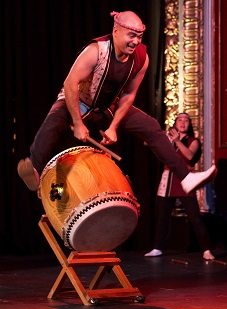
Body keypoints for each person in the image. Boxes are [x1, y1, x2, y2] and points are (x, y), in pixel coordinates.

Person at [17, 11, 216, 196]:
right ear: (116, 31)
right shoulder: (95, 51)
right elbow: (70, 85)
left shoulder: (141, 58)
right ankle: (35, 170)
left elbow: (129, 95)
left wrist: (113, 128)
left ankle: (186, 177)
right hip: (78, 103)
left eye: (139, 36)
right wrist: (78, 123)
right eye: (131, 35)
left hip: (108, 107)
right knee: (54, 122)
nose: (135, 41)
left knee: (151, 126)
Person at [144, 113, 215, 260]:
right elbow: (147, 142)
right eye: (180, 120)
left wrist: (178, 141)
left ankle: (207, 249)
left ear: (189, 125)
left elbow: (189, 156)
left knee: (194, 217)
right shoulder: (167, 138)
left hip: (185, 179)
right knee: (162, 217)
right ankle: (157, 247)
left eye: (186, 120)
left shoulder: (192, 141)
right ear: (175, 123)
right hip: (168, 179)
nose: (183, 122)